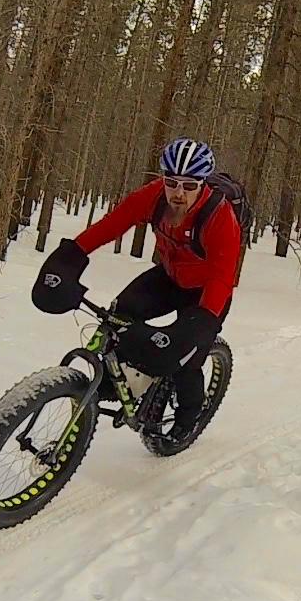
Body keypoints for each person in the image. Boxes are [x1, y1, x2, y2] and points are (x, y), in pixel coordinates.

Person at [32, 137, 239, 441]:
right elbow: (112, 224)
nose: (178, 194)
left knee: (187, 360)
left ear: (203, 184)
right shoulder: (155, 197)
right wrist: (71, 255)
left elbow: (222, 277)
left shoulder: (220, 219)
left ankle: (187, 419)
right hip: (169, 277)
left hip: (206, 293)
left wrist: (200, 325)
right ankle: (112, 381)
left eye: (189, 185)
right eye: (171, 182)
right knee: (119, 315)